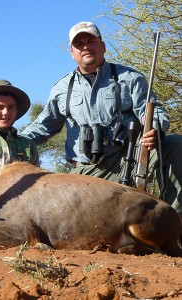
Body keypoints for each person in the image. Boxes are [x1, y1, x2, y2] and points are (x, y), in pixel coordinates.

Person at [21, 21, 182, 219]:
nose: (86, 47)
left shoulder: (130, 78)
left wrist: (155, 129)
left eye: (91, 41)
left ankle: (175, 222)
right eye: (79, 44)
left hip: (128, 160)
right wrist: (15, 140)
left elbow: (152, 111)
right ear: (72, 52)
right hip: (86, 171)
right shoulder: (61, 88)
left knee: (175, 144)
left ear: (103, 46)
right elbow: (43, 127)